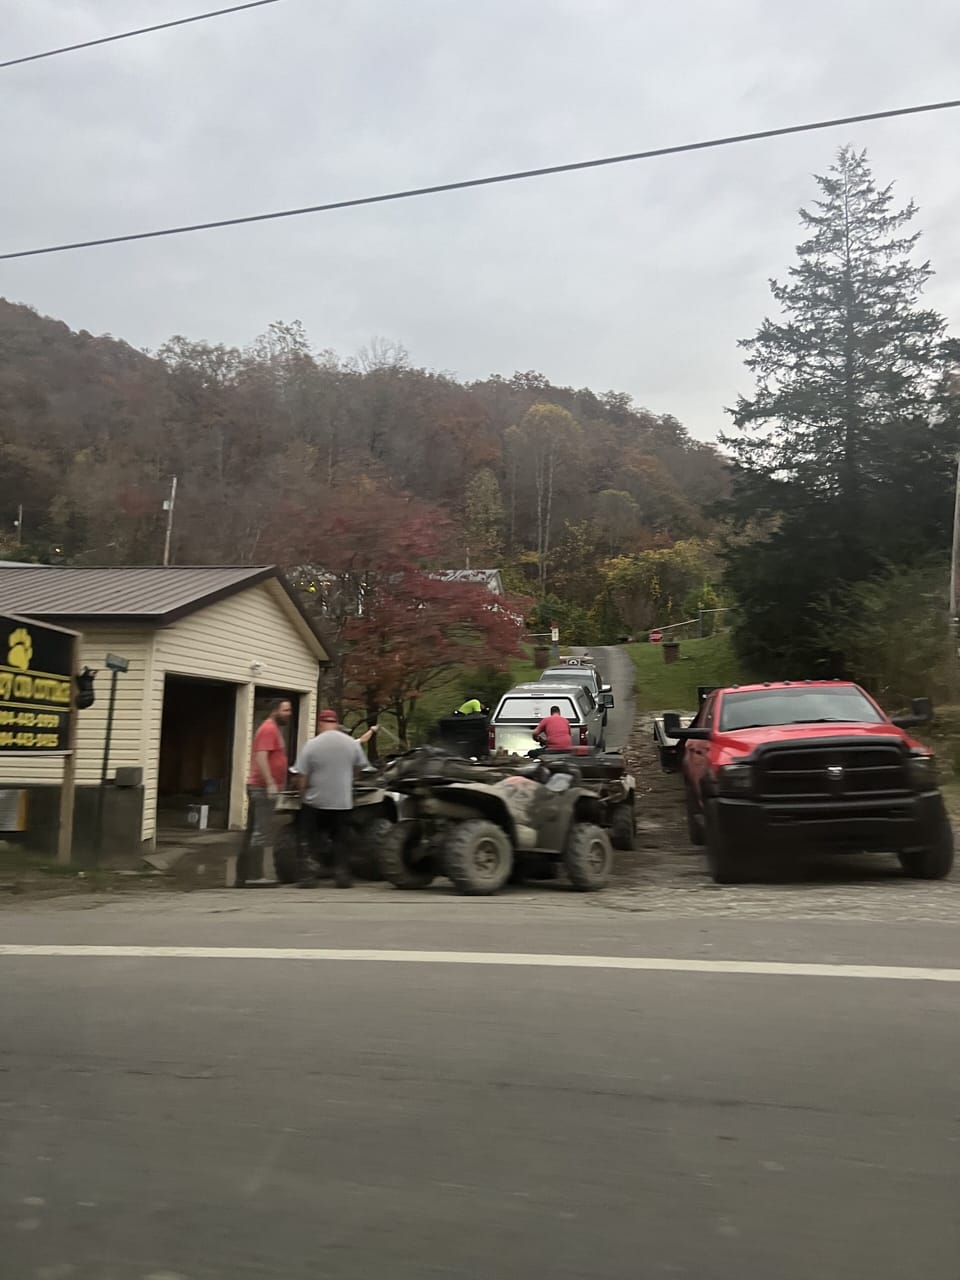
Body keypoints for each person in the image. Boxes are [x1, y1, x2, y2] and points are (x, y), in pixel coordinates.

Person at [294, 709, 378, 888]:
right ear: (336, 723)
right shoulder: (351, 744)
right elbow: (361, 768)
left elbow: (302, 775)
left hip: (315, 802)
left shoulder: (311, 745)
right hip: (342, 802)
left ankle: (309, 875)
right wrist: (349, 779)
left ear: (320, 724)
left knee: (309, 838)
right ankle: (342, 875)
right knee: (341, 839)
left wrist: (303, 794)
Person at [239, 698, 292, 884]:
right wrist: (270, 783)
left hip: (262, 787)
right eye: (285, 710)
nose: (289, 714)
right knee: (260, 832)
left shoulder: (273, 729)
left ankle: (245, 875)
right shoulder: (268, 729)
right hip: (261, 788)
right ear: (274, 711)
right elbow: (261, 757)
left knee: (257, 830)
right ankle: (254, 876)